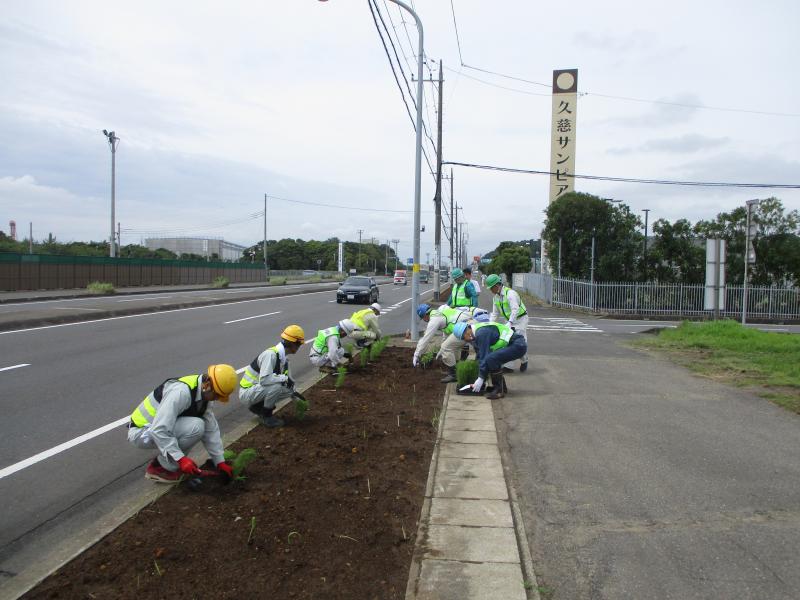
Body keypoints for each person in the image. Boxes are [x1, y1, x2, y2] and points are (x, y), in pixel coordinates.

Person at [128, 364, 238, 483]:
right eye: (216, 395)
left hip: (156, 428)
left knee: (201, 424)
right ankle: (161, 467)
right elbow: (159, 429)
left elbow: (211, 429)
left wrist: (220, 462)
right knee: (196, 427)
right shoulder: (181, 393)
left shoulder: (204, 394)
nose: (216, 399)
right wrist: (181, 459)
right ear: (207, 385)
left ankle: (170, 462)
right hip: (141, 432)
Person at [239, 324, 305, 428]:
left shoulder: (284, 359)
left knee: (289, 390)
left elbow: (289, 382)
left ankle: (257, 407)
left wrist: (296, 397)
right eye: (299, 344)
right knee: (277, 386)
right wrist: (284, 379)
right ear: (293, 344)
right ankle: (267, 416)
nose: (299, 347)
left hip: (257, 390)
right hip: (246, 392)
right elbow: (265, 380)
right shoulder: (271, 355)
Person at [413, 303, 489, 382]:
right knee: (451, 346)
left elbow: (426, 339)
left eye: (423, 319)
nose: (425, 321)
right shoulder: (440, 312)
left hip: (470, 324)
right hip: (477, 319)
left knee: (446, 348)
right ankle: (457, 369)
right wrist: (441, 351)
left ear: (424, 316)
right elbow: (447, 336)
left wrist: (416, 354)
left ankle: (454, 375)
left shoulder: (434, 319)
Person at [452, 321, 527, 400]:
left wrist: (480, 379)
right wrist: (478, 377)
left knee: (491, 359)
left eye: (464, 337)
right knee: (492, 359)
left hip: (518, 345)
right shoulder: (477, 332)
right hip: (514, 344)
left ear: (467, 330)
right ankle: (501, 388)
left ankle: (498, 390)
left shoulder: (481, 333)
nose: (466, 340)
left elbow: (484, 357)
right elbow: (480, 355)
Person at [486, 274, 529, 372]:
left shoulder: (510, 294)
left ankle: (524, 360)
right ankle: (509, 366)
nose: (490, 290)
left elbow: (515, 309)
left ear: (496, 286)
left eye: (491, 288)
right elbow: (495, 314)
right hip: (509, 320)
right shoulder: (496, 298)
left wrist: (510, 322)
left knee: (519, 342)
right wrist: (489, 324)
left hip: (520, 319)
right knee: (507, 341)